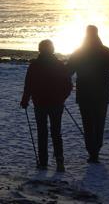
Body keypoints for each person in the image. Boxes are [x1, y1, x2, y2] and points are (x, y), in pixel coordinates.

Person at [67, 25, 109, 163]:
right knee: (99, 122)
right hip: (102, 94)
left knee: (88, 123)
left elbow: (68, 71)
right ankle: (96, 149)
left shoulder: (79, 52)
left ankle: (91, 151)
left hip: (84, 94)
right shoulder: (105, 51)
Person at [20, 39, 72, 171]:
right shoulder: (59, 64)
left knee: (42, 132)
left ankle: (43, 162)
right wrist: (62, 98)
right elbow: (68, 85)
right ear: (52, 49)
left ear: (40, 50)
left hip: (40, 103)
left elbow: (28, 85)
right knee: (56, 132)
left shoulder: (34, 65)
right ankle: (60, 161)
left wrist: (25, 100)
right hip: (56, 103)